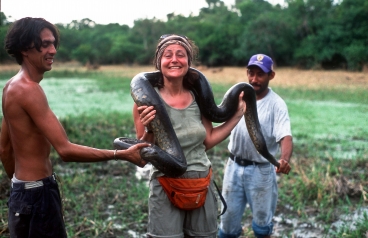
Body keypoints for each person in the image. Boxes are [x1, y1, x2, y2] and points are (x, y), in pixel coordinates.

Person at [0, 17, 150, 238]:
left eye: (53, 44)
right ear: (25, 48)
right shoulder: (28, 90)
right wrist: (121, 154)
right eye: (45, 44)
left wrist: (19, 189)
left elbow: (4, 149)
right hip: (37, 195)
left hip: (24, 193)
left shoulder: (11, 86)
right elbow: (65, 150)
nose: (52, 50)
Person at [133, 34, 246, 238]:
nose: (174, 59)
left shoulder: (198, 97)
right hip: (165, 184)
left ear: (189, 63)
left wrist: (236, 116)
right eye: (168, 55)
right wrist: (150, 129)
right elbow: (142, 154)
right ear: (158, 62)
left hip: (201, 182)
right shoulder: (144, 100)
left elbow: (208, 140)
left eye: (181, 55)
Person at [218, 54, 293, 238]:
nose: (254, 79)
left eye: (260, 74)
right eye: (251, 73)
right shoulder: (238, 96)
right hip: (233, 168)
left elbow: (286, 136)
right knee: (226, 226)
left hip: (261, 171)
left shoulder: (277, 104)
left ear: (271, 76)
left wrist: (284, 159)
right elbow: (218, 117)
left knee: (262, 228)